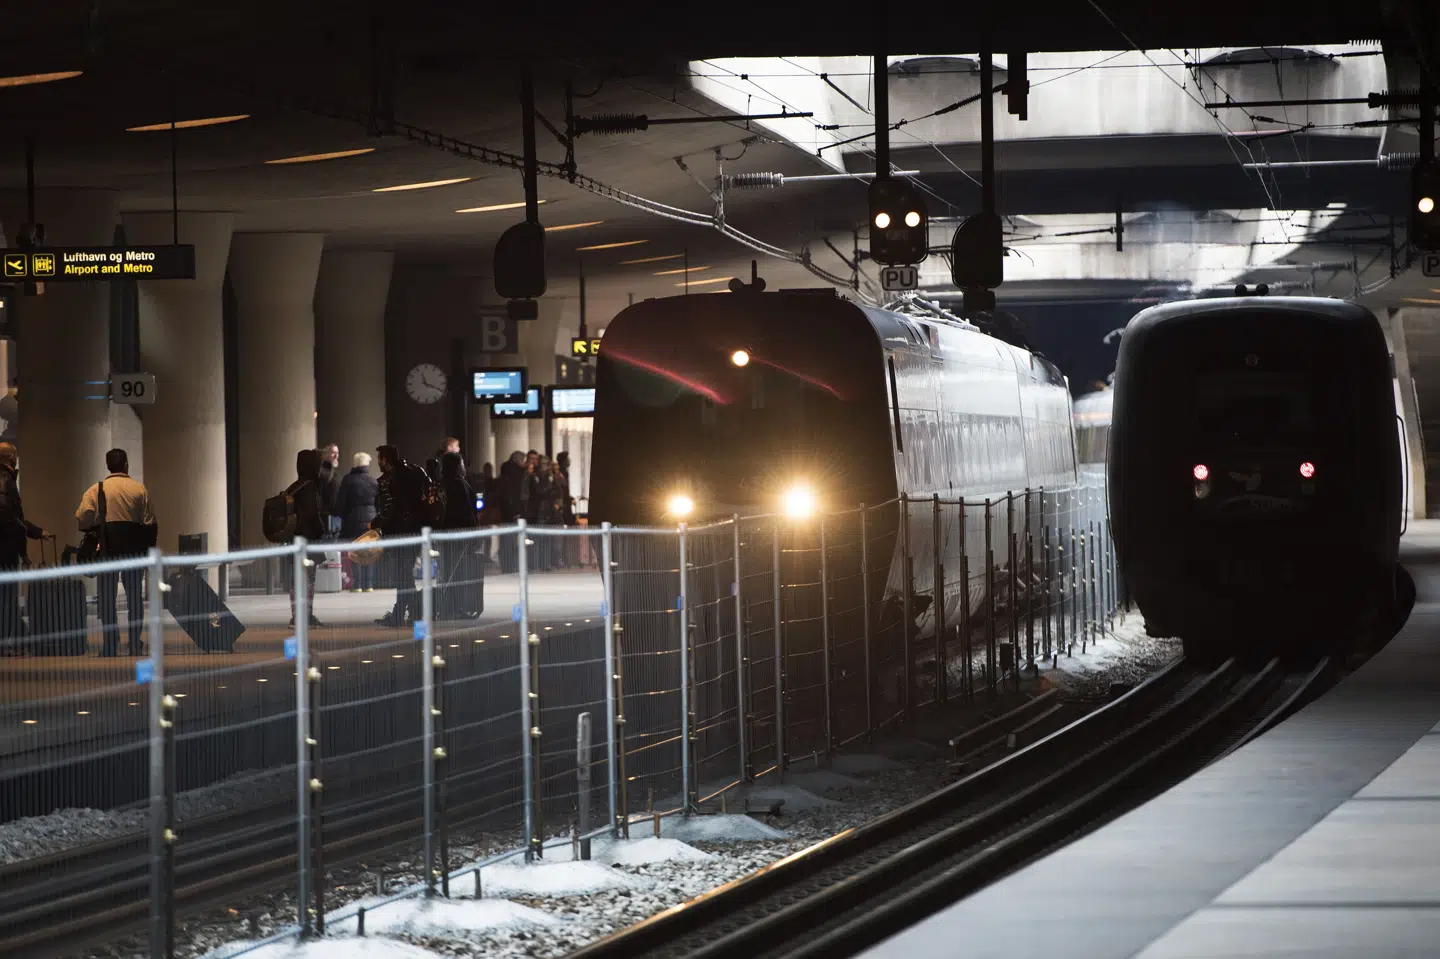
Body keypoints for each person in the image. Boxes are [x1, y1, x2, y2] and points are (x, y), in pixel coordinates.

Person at [76, 449, 157, 657]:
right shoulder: (139, 490)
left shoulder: (97, 490)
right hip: (134, 552)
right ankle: (133, 641)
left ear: (107, 465)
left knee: (107, 599)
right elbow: (150, 523)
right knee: (134, 599)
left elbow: (82, 517)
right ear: (126, 464)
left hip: (107, 551)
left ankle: (110, 644)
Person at [371, 444, 427, 627]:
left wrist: (377, 522)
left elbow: (389, 508)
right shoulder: (416, 472)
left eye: (380, 459)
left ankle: (412, 612)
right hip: (416, 530)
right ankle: (405, 612)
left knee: (402, 575)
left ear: (385, 460)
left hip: (398, 532)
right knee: (404, 574)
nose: (379, 463)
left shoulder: (388, 480)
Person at [0, 442, 45, 649]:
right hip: (5, 547)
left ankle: (18, 635)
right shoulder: (5, 479)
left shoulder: (7, 478)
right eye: (16, 454)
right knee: (7, 596)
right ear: (10, 457)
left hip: (6, 543)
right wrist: (23, 550)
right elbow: (10, 517)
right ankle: (9, 641)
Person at [283, 449, 328, 629]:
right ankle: (305, 616)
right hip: (307, 540)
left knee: (296, 580)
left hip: (293, 539)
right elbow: (311, 515)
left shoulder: (294, 486)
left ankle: (298, 616)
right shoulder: (310, 487)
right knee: (308, 579)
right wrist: (321, 531)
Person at [437, 451, 481, 618]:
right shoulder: (459, 484)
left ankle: (447, 607)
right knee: (458, 572)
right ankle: (455, 608)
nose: (464, 467)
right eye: (461, 463)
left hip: (446, 533)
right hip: (459, 534)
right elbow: (467, 511)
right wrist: (474, 534)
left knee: (447, 571)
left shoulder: (443, 483)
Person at [333, 451, 379, 592]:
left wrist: (339, 515)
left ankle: (357, 584)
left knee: (355, 551)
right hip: (371, 520)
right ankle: (369, 584)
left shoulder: (348, 480)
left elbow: (341, 503)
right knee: (369, 551)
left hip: (353, 520)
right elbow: (379, 502)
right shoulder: (373, 481)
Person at [497, 451, 528, 574]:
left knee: (505, 539)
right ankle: (511, 565)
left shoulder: (505, 473)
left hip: (505, 511)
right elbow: (513, 494)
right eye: (523, 460)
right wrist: (516, 511)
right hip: (512, 511)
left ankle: (507, 565)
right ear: (517, 460)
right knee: (512, 540)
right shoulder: (515, 474)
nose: (524, 463)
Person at [317, 443, 343, 536]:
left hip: (335, 517)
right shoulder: (321, 473)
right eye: (333, 453)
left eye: (337, 453)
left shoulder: (334, 473)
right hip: (325, 517)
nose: (336, 456)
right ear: (325, 455)